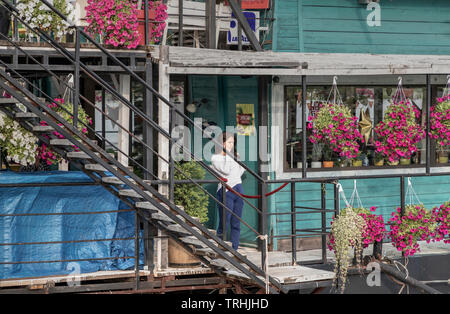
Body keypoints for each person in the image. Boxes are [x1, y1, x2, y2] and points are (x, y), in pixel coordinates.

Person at [211, 132, 245, 250]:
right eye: (229, 142)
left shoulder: (235, 155)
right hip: (226, 190)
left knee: (236, 222)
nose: (231, 145)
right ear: (222, 143)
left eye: (233, 142)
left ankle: (235, 248)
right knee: (224, 222)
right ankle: (221, 247)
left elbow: (240, 171)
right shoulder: (216, 158)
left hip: (238, 188)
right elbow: (226, 171)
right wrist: (230, 157)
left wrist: (234, 157)